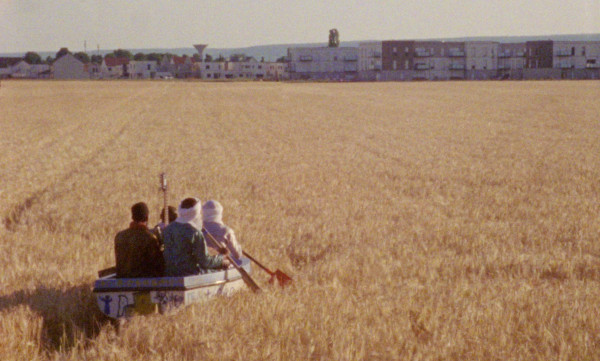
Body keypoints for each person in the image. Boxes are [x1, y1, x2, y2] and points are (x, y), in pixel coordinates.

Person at [162, 197, 230, 276]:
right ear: (195, 213)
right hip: (191, 274)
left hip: (170, 274)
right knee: (225, 267)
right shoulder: (195, 233)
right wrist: (221, 257)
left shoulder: (168, 229)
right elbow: (205, 262)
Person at [114, 202, 165, 278]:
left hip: (121, 280)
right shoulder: (149, 238)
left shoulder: (119, 236)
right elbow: (157, 264)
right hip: (142, 282)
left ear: (132, 217)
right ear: (147, 217)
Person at [202, 200, 243, 264]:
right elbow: (237, 255)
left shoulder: (198, 229)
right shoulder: (226, 231)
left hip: (201, 265)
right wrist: (239, 248)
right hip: (219, 264)